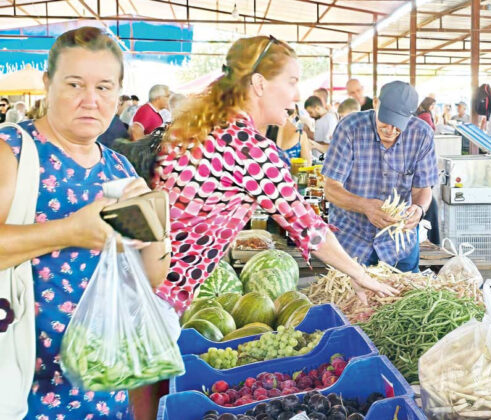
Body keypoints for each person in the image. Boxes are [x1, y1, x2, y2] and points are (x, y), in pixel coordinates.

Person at [152, 35, 396, 316]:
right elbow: (309, 228)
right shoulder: (246, 145)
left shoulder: (209, 126)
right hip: (156, 299)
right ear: (259, 84)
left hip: (142, 280)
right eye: (291, 81)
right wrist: (361, 275)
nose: (296, 96)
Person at [0, 26, 171, 419]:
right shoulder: (12, 152)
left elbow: (150, 279)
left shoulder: (119, 166)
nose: (90, 101)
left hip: (103, 386)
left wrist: (156, 231)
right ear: (48, 83)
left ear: (119, 92)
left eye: (104, 87)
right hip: (22, 394)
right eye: (75, 84)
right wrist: (69, 230)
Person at [322, 80, 438, 273]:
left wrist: (418, 209)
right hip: (352, 240)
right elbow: (331, 189)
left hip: (400, 242)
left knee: (406, 298)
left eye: (398, 126)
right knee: (351, 299)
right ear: (376, 103)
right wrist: (366, 206)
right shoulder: (349, 128)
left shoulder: (422, 134)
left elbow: (423, 188)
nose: (390, 130)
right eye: (386, 122)